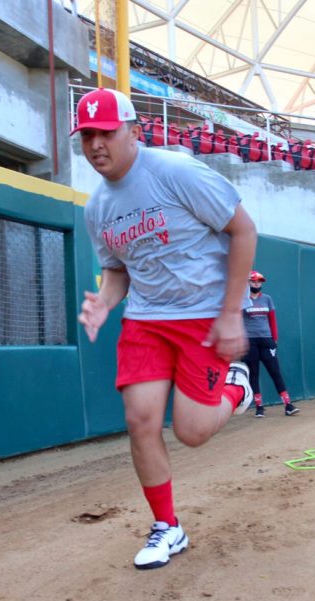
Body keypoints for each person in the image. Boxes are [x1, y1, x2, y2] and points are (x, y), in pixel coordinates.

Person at [73, 88, 257, 569]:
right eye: (87, 134)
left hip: (202, 314)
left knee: (192, 432)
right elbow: (118, 270)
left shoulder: (175, 172)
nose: (95, 144)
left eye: (105, 132)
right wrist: (104, 303)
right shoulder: (97, 209)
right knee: (141, 421)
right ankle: (167, 527)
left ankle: (237, 387)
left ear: (134, 130)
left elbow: (244, 230)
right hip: (146, 320)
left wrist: (232, 312)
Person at [242, 270, 300, 417]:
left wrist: (274, 339)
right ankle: (259, 407)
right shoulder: (242, 300)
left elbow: (272, 320)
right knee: (253, 374)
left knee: (275, 372)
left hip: (266, 340)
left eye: (259, 281)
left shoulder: (267, 299)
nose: (257, 283)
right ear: (247, 283)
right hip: (250, 341)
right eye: (253, 281)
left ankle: (288, 405)